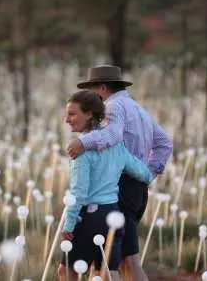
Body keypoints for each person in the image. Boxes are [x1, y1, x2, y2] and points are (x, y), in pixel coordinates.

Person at [66, 65, 173, 281]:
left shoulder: (113, 107)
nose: (91, 98)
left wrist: (82, 143)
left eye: (92, 91)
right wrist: (147, 174)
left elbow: (113, 135)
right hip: (137, 188)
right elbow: (165, 143)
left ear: (103, 88)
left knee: (124, 262)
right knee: (121, 260)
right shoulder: (138, 108)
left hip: (121, 187)